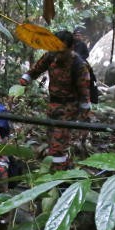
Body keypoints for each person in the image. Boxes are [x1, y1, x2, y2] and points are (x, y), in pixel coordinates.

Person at [19, 29, 92, 171]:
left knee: (58, 144)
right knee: (53, 140)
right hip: (53, 105)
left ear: (70, 48)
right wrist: (21, 83)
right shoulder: (50, 56)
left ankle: (58, 175)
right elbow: (34, 71)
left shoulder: (79, 65)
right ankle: (61, 167)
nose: (58, 55)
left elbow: (85, 95)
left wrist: (85, 120)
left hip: (69, 108)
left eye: (61, 52)